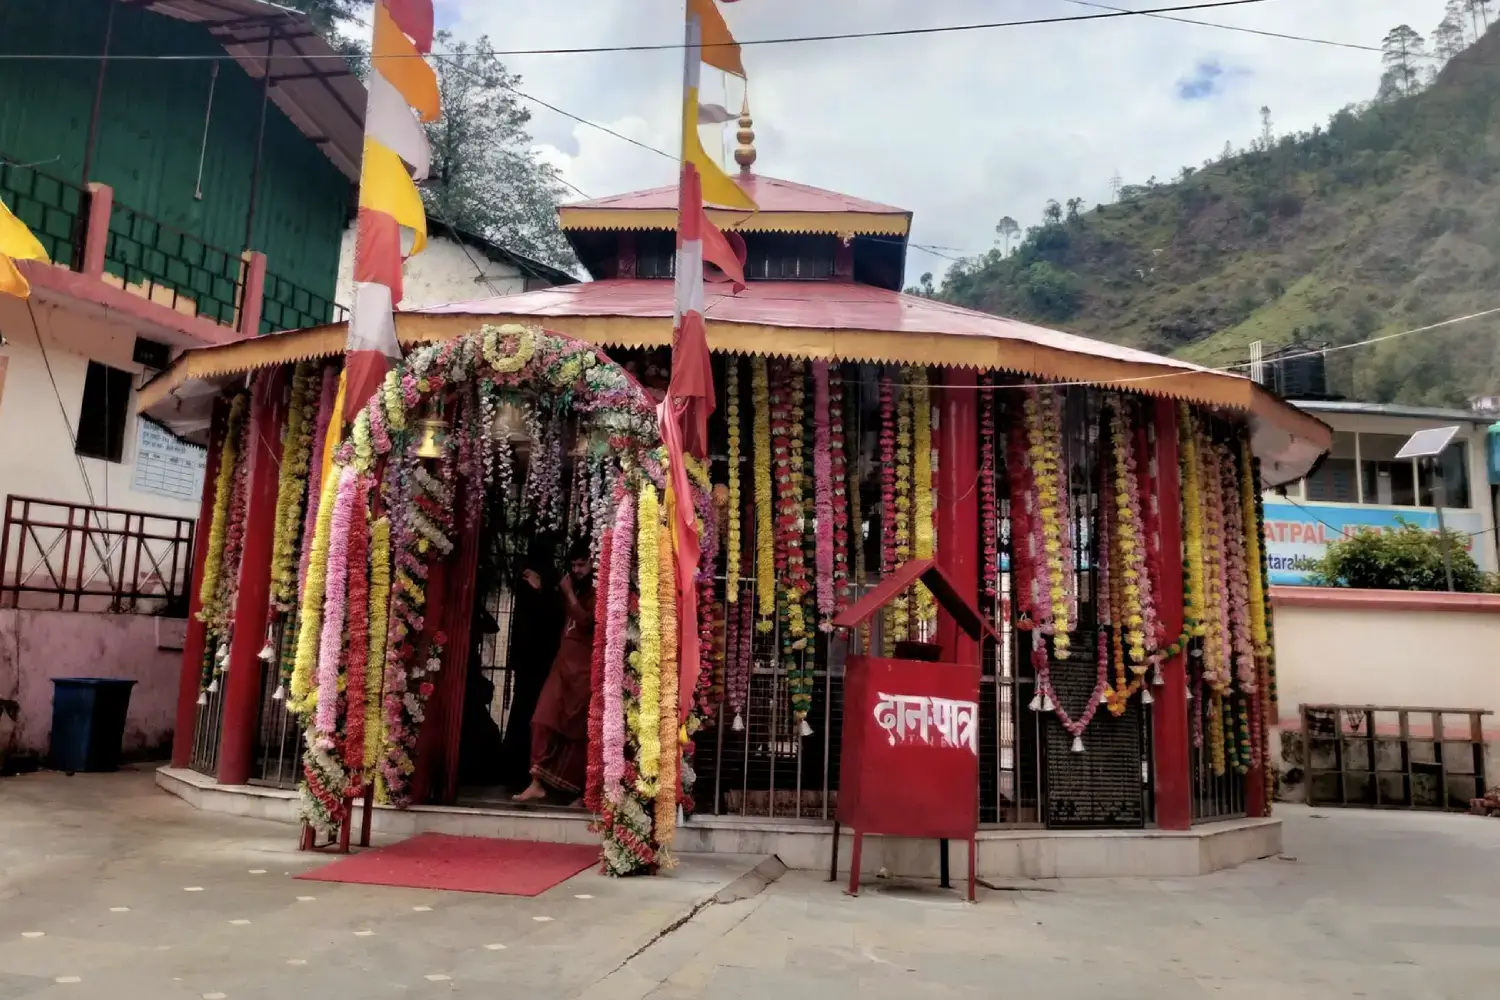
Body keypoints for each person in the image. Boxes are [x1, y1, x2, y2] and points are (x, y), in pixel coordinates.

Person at [514, 540, 596, 803]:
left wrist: (569, 593)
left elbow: (585, 622)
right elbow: (553, 613)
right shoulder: (571, 590)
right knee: (542, 720)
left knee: (578, 734)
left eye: (582, 564)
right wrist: (541, 590)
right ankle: (536, 782)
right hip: (562, 668)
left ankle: (583, 792)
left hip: (584, 673)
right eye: (573, 565)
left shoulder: (597, 593)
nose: (577, 570)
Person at [494, 541, 563, 789]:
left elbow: (553, 616)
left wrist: (543, 588)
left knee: (532, 715)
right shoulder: (532, 582)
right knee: (525, 713)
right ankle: (518, 772)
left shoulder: (547, 583)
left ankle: (529, 773)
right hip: (532, 661)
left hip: (539, 660)